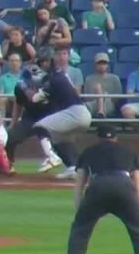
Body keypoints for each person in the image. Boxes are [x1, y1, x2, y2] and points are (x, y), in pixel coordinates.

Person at [62, 125, 139, 254]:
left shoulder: (89, 151)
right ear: (116, 138)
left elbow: (79, 183)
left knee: (80, 232)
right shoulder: (128, 152)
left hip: (99, 186)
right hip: (124, 187)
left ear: (98, 138)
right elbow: (138, 183)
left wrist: (80, 213)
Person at [28, 48, 93, 178]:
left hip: (75, 112)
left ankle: (51, 157)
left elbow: (34, 99)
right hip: (80, 113)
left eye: (45, 61)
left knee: (39, 127)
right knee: (59, 139)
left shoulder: (54, 78)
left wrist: (24, 84)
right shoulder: (60, 75)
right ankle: (73, 167)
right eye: (42, 62)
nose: (43, 64)